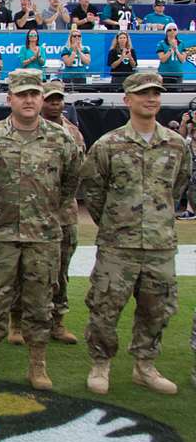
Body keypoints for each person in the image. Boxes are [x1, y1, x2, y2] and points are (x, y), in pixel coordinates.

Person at [0, 69, 83, 391]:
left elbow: (69, 184)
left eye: (35, 94)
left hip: (43, 235)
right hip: (0, 234)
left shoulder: (61, 139)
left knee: (39, 302)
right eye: (22, 95)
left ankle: (37, 364)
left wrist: (45, 213)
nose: (30, 100)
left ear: (42, 98)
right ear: (10, 100)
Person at [82, 72, 189, 395]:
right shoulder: (109, 145)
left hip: (160, 244)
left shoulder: (176, 144)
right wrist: (115, 224)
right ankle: (101, 364)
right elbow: (94, 191)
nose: (151, 99)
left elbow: (178, 187)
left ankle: (145, 365)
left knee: (157, 308)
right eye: (143, 94)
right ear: (127, 100)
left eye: (156, 93)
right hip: (117, 244)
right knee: (104, 307)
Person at [32, 80, 85, 346]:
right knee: (27, 270)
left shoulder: (73, 133)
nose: (54, 104)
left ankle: (57, 320)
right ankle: (17, 320)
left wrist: (62, 202)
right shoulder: (28, 127)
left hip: (63, 214)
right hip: (32, 213)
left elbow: (78, 175)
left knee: (61, 270)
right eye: (50, 99)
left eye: (58, 99)